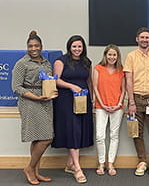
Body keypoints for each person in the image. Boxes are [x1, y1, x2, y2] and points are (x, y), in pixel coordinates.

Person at [12, 30, 57, 185]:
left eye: (36, 45)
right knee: (46, 138)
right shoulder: (21, 64)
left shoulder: (46, 63)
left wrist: (52, 90)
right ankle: (30, 168)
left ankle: (36, 172)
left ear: (41, 46)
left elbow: (49, 81)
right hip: (30, 102)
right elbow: (16, 87)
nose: (33, 48)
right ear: (27, 47)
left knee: (39, 137)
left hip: (46, 101)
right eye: (30, 46)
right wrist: (36, 97)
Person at [123, 27, 149, 176]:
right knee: (137, 132)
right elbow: (128, 79)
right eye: (142, 37)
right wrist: (131, 101)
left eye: (147, 37)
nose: (144, 40)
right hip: (136, 98)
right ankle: (142, 161)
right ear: (137, 39)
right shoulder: (131, 56)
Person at [52, 35, 94, 184]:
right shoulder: (60, 61)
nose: (77, 49)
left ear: (83, 48)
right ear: (69, 47)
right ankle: (77, 168)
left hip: (83, 100)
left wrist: (92, 99)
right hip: (66, 101)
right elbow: (55, 80)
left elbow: (89, 81)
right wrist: (72, 86)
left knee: (80, 130)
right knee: (73, 130)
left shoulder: (86, 62)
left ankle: (70, 164)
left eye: (80, 46)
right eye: (74, 46)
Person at [93, 44, 125, 176]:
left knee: (114, 135)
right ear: (105, 55)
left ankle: (111, 163)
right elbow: (95, 88)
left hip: (117, 107)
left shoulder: (122, 70)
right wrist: (102, 104)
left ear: (117, 56)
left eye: (114, 55)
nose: (112, 57)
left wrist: (118, 104)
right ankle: (101, 163)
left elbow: (123, 90)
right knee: (100, 136)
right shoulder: (98, 68)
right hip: (101, 107)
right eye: (109, 54)